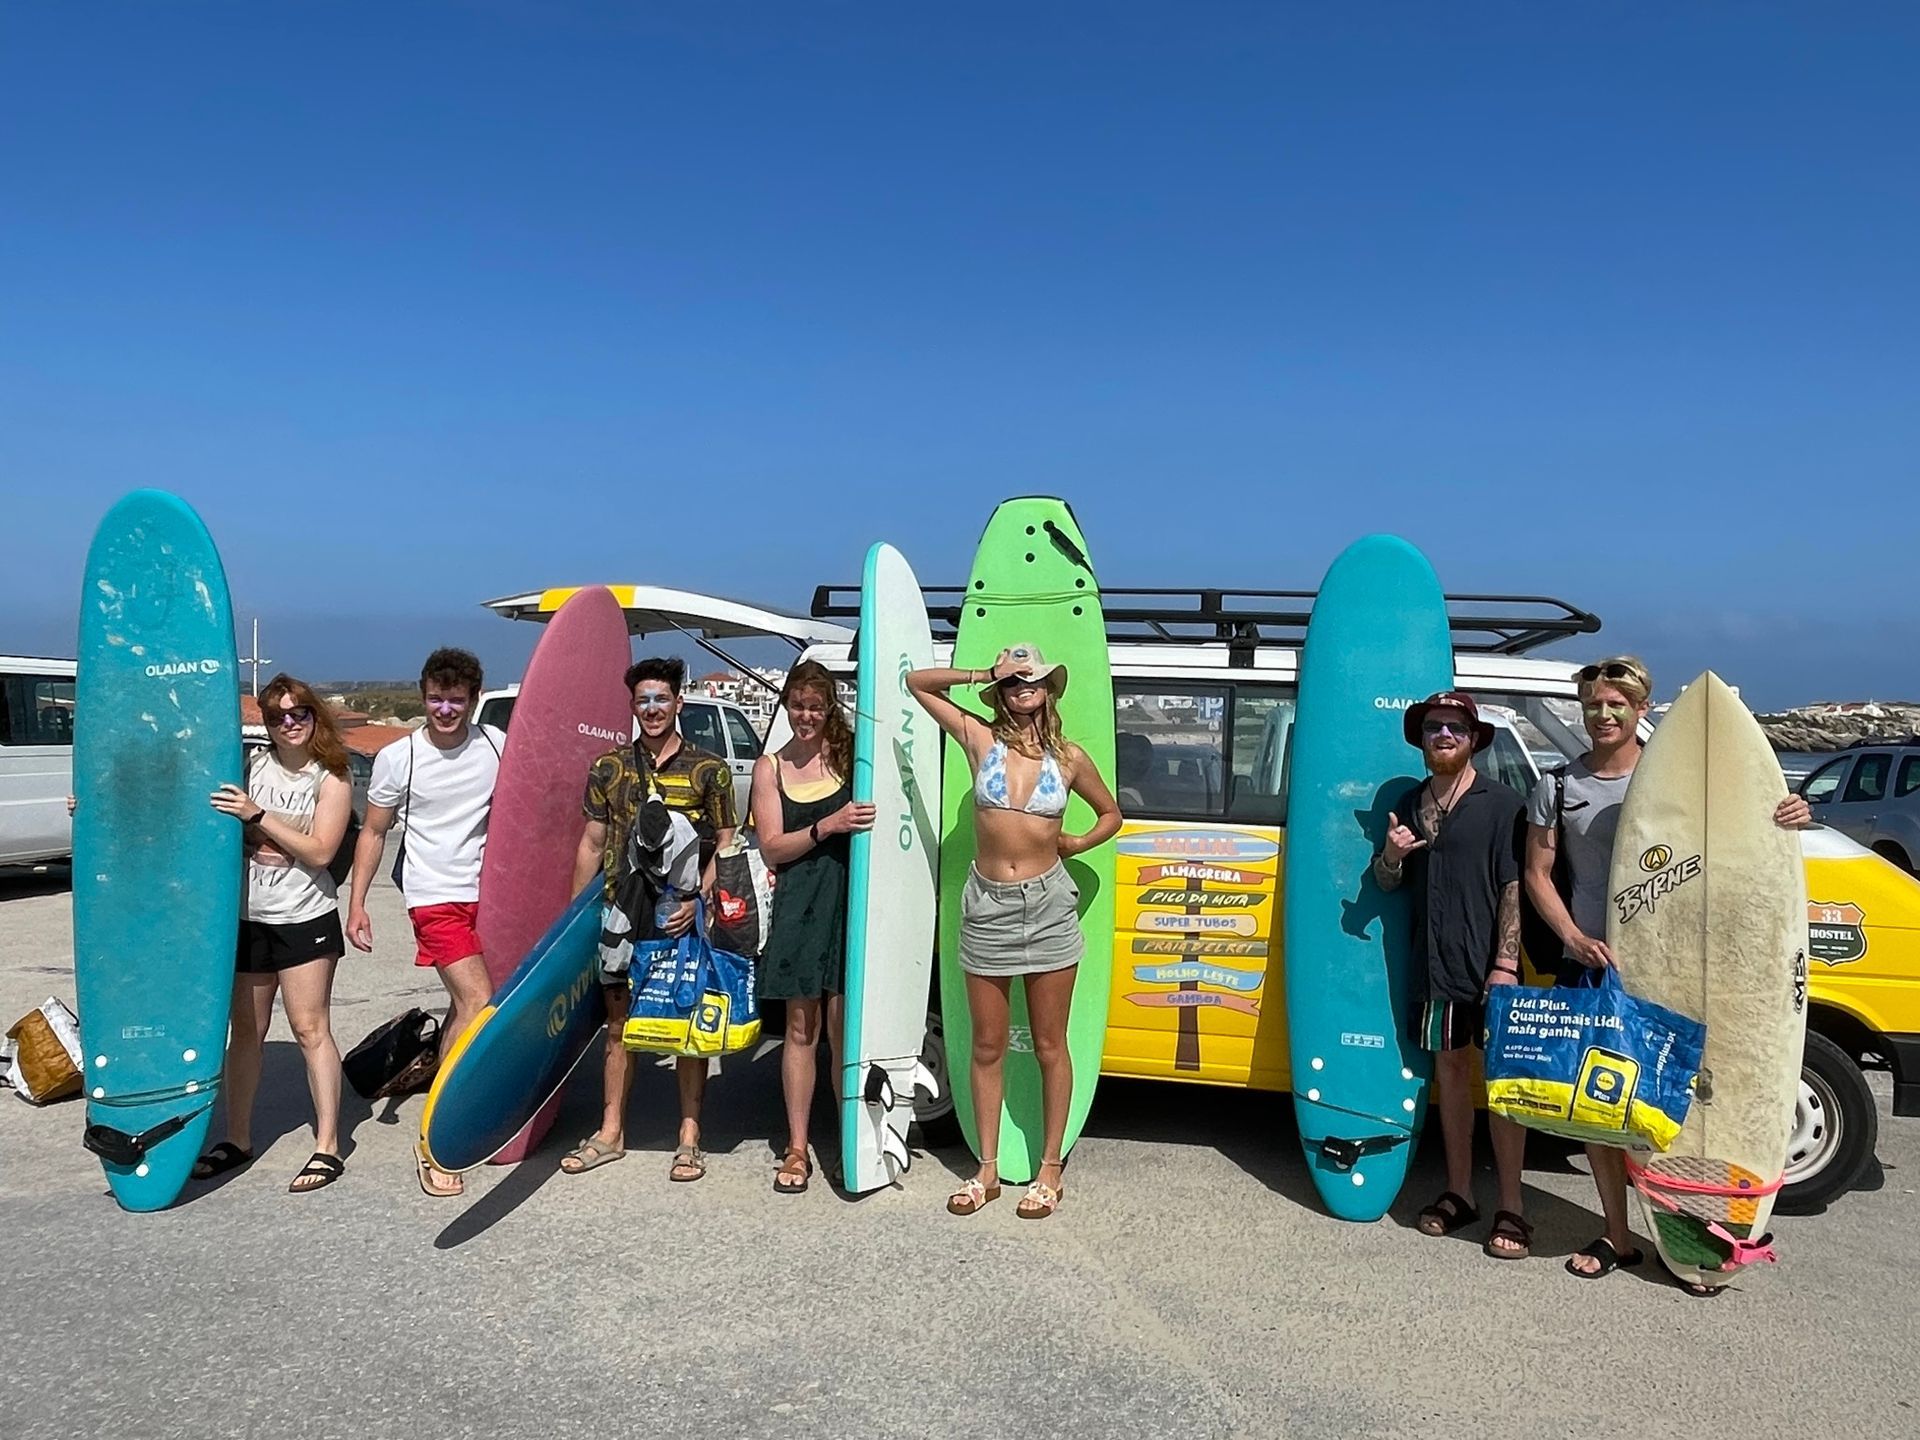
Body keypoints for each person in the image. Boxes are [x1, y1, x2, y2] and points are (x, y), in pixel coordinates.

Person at [1524, 655, 1810, 1290]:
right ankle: (1617, 1234)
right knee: (1604, 1108)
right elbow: (1537, 874)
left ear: (1640, 710)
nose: (1603, 714)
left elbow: (1746, 841)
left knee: (1685, 1101)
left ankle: (1694, 1228)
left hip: (1676, 965)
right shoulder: (1558, 786)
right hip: (1597, 966)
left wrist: (1789, 812)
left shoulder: (1686, 783)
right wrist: (1572, 936)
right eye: (1593, 704)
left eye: (1616, 704)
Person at [907, 644, 1123, 1220]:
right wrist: (986, 671)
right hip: (987, 905)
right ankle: (988, 1170)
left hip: (1049, 904)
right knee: (985, 1045)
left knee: (1052, 1044)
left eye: (1032, 679)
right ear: (1002, 691)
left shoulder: (1069, 758)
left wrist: (1075, 844)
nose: (1022, 687)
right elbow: (918, 683)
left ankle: (1051, 1167)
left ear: (1049, 688)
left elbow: (1112, 813)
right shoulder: (981, 741)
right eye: (1013, 682)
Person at [1372, 691, 1531, 1258]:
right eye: (1434, 727)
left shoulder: (1504, 803)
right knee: (1453, 1076)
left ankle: (1511, 1205)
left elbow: (1515, 886)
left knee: (1505, 1086)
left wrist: (1506, 963)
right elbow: (1388, 882)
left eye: (1456, 729)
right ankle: (1460, 1192)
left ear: (1473, 740)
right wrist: (1391, 855)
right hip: (1436, 969)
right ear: (1421, 739)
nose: (1444, 736)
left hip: (1491, 970)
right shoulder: (1410, 804)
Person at [568, 657, 738, 1183]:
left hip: (682, 920)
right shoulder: (609, 767)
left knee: (686, 1025)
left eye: (661, 699)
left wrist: (698, 902)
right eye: (643, 700)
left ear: (679, 703)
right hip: (622, 916)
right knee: (618, 1027)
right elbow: (593, 842)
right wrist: (576, 920)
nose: (652, 709)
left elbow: (725, 845)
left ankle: (689, 1139)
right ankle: (611, 1132)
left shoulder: (710, 769)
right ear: (633, 707)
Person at [346, 647, 503, 1199]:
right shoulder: (400, 758)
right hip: (433, 895)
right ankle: (435, 1136)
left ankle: (466, 1103)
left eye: (456, 699)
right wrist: (358, 902)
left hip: (490, 892)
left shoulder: (494, 745)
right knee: (475, 1000)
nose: (445, 709)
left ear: (474, 699)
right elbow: (373, 832)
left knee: (474, 1007)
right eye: (436, 698)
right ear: (423, 696)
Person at [193, 675, 354, 1194]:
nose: (289, 722)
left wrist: (258, 815)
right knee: (247, 1034)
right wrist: (93, 810)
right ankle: (236, 1139)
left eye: (299, 712)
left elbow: (322, 851)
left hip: (305, 916)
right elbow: (202, 820)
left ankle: (328, 1145)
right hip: (249, 917)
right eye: (276, 715)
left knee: (310, 1030)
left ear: (315, 716)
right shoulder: (251, 767)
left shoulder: (331, 776)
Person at [750, 661, 875, 1194]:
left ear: (830, 710)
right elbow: (772, 846)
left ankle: (848, 1143)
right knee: (801, 1030)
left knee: (844, 1032)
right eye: (797, 705)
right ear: (787, 706)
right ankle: (797, 1149)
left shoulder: (851, 756)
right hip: (800, 905)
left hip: (851, 901)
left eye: (815, 707)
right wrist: (828, 825)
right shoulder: (769, 767)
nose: (806, 716)